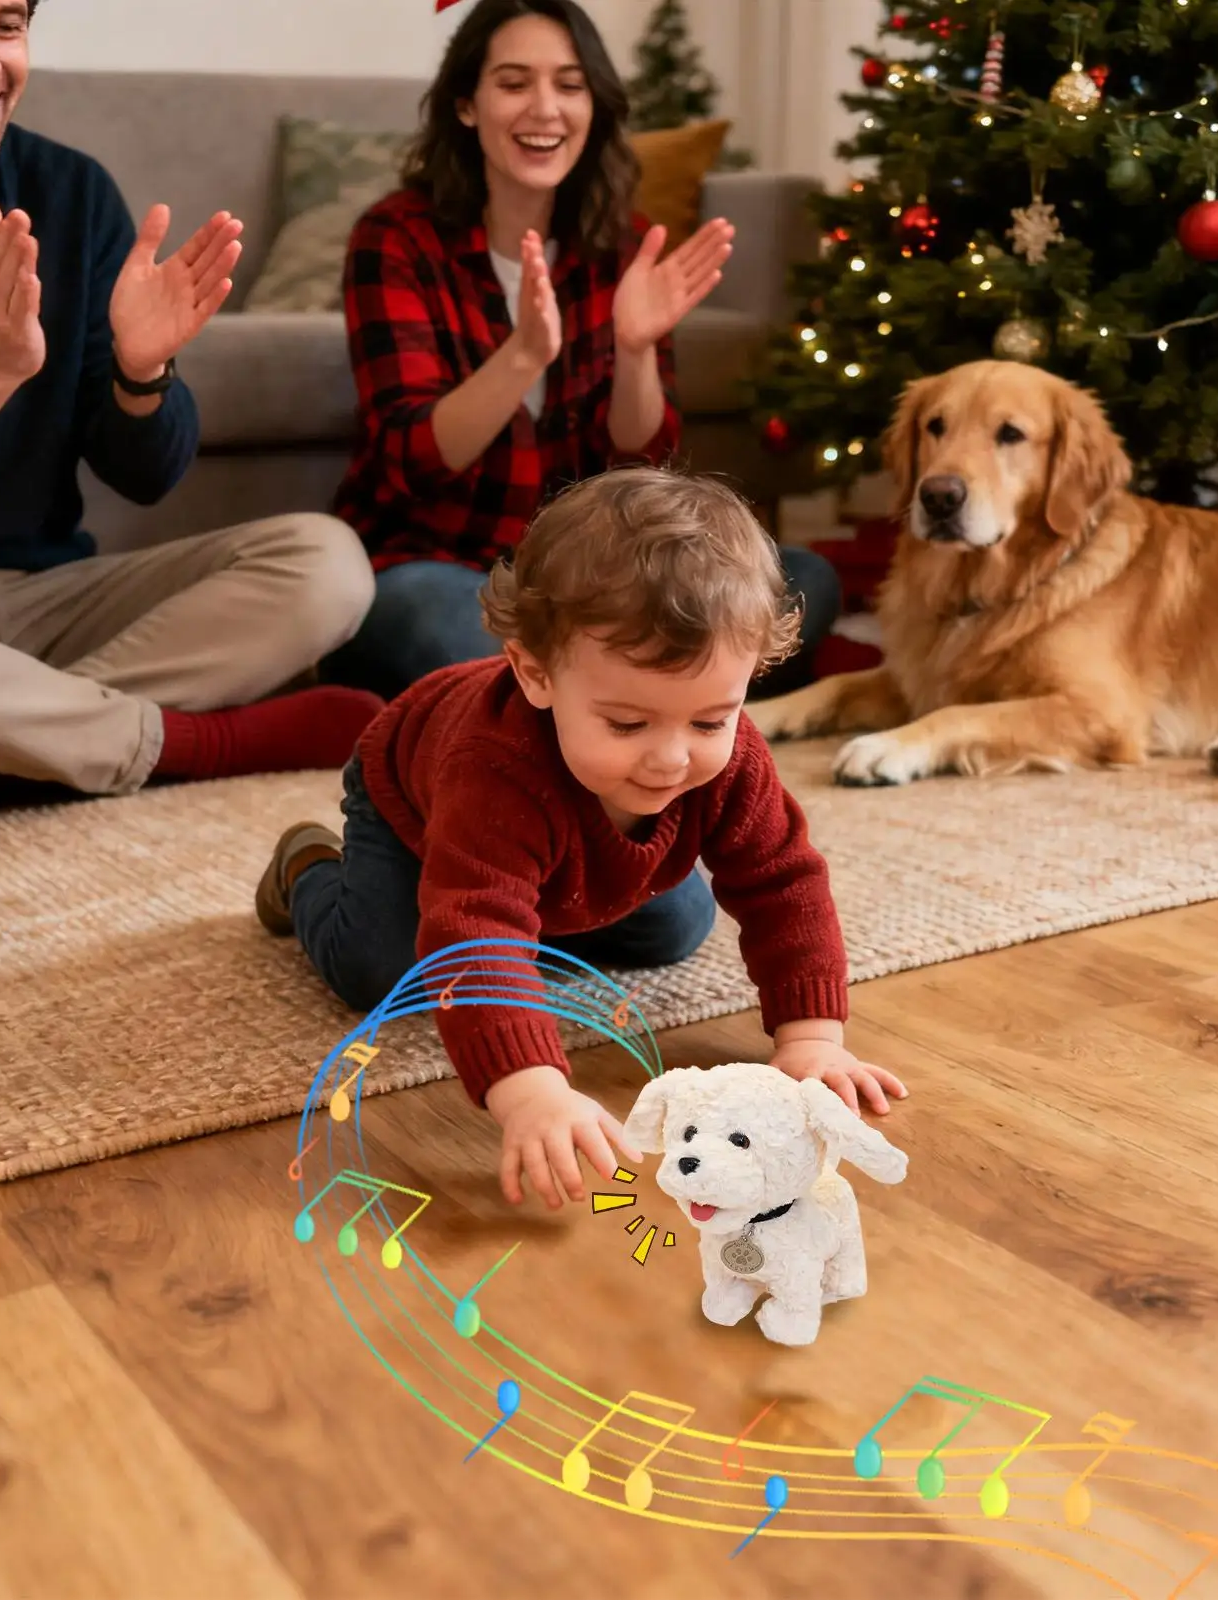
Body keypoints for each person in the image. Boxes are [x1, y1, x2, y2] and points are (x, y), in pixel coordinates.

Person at [256, 469, 905, 1212]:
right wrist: (531, 1089)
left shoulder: (730, 758)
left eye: (707, 721)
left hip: (564, 849)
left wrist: (812, 1039)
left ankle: (552, 896)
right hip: (411, 802)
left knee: (675, 925)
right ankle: (306, 863)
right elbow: (475, 931)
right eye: (627, 723)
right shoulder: (491, 766)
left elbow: (782, 880)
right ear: (534, 673)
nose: (671, 756)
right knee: (382, 969)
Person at [0, 0, 380, 839]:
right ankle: (187, 743)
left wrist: (141, 372)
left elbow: (145, 474)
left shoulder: (70, 192)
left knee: (326, 562)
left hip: (50, 602)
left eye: (6, 25)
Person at [317, 0, 840, 700]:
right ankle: (642, 694)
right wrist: (523, 357)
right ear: (467, 105)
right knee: (439, 623)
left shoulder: (621, 241)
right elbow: (412, 459)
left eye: (569, 85)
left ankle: (596, 696)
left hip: (591, 580)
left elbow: (641, 467)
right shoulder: (395, 237)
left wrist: (635, 349)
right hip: (437, 565)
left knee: (801, 582)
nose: (544, 109)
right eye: (512, 83)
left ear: (593, 107)